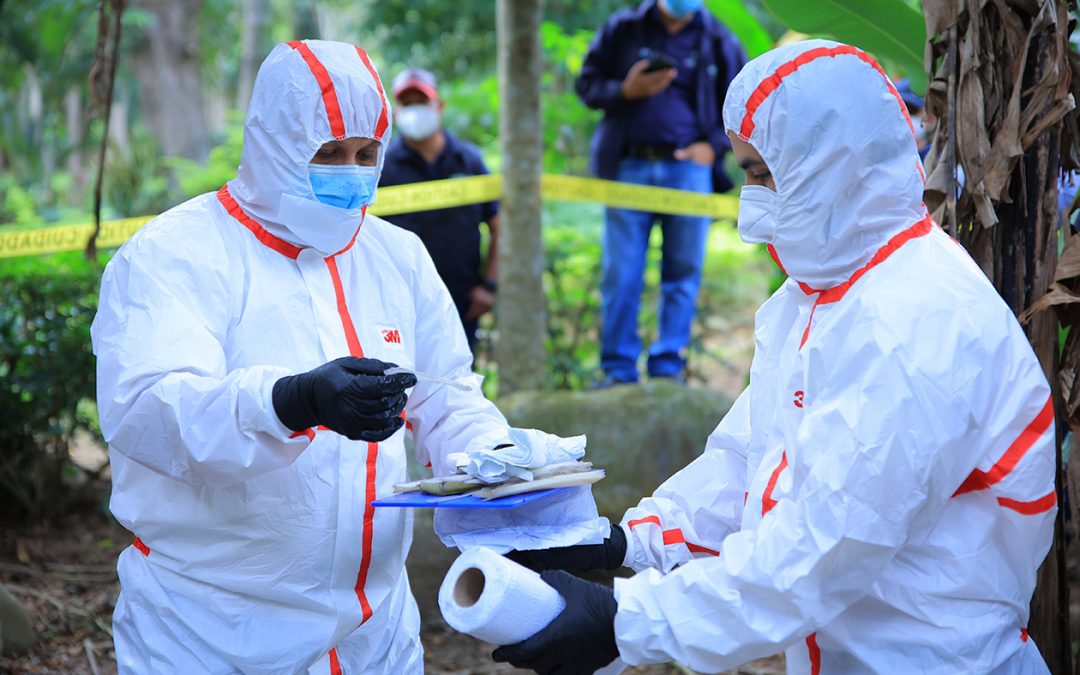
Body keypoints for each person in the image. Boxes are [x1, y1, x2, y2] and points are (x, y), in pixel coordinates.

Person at [495, 40, 1057, 674]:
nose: (751, 200)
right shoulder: (817, 296)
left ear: (836, 164)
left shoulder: (918, 322)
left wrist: (626, 620)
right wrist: (629, 541)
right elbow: (753, 459)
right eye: (745, 173)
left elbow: (823, 549)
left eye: (764, 173)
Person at [92, 40, 517, 673]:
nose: (351, 172)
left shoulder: (398, 256)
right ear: (273, 144)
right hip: (213, 631)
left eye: (366, 154)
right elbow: (149, 411)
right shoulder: (174, 254)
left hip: (377, 633)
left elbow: (447, 394)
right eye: (328, 153)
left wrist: (498, 462)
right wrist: (289, 401)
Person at [577, 0, 746, 386]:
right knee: (621, 272)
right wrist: (625, 90)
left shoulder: (719, 39)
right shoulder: (623, 29)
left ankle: (668, 367)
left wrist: (714, 147)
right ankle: (618, 369)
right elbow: (586, 86)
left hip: (689, 171)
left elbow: (744, 102)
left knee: (683, 271)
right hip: (628, 166)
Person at [379, 67, 500, 351]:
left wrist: (489, 287)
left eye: (421, 102)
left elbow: (499, 225)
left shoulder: (469, 161)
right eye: (407, 103)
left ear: (439, 106)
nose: (415, 110)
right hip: (400, 302)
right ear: (397, 111)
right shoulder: (382, 166)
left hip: (463, 302)